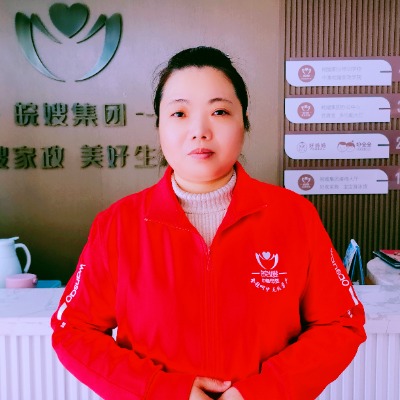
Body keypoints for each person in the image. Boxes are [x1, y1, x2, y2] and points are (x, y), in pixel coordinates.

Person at [51, 46, 366, 400]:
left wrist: (259, 392)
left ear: (244, 122)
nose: (199, 131)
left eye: (219, 111)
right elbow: (72, 330)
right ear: (159, 126)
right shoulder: (119, 225)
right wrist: (162, 390)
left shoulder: (294, 216)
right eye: (179, 113)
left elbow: (341, 323)